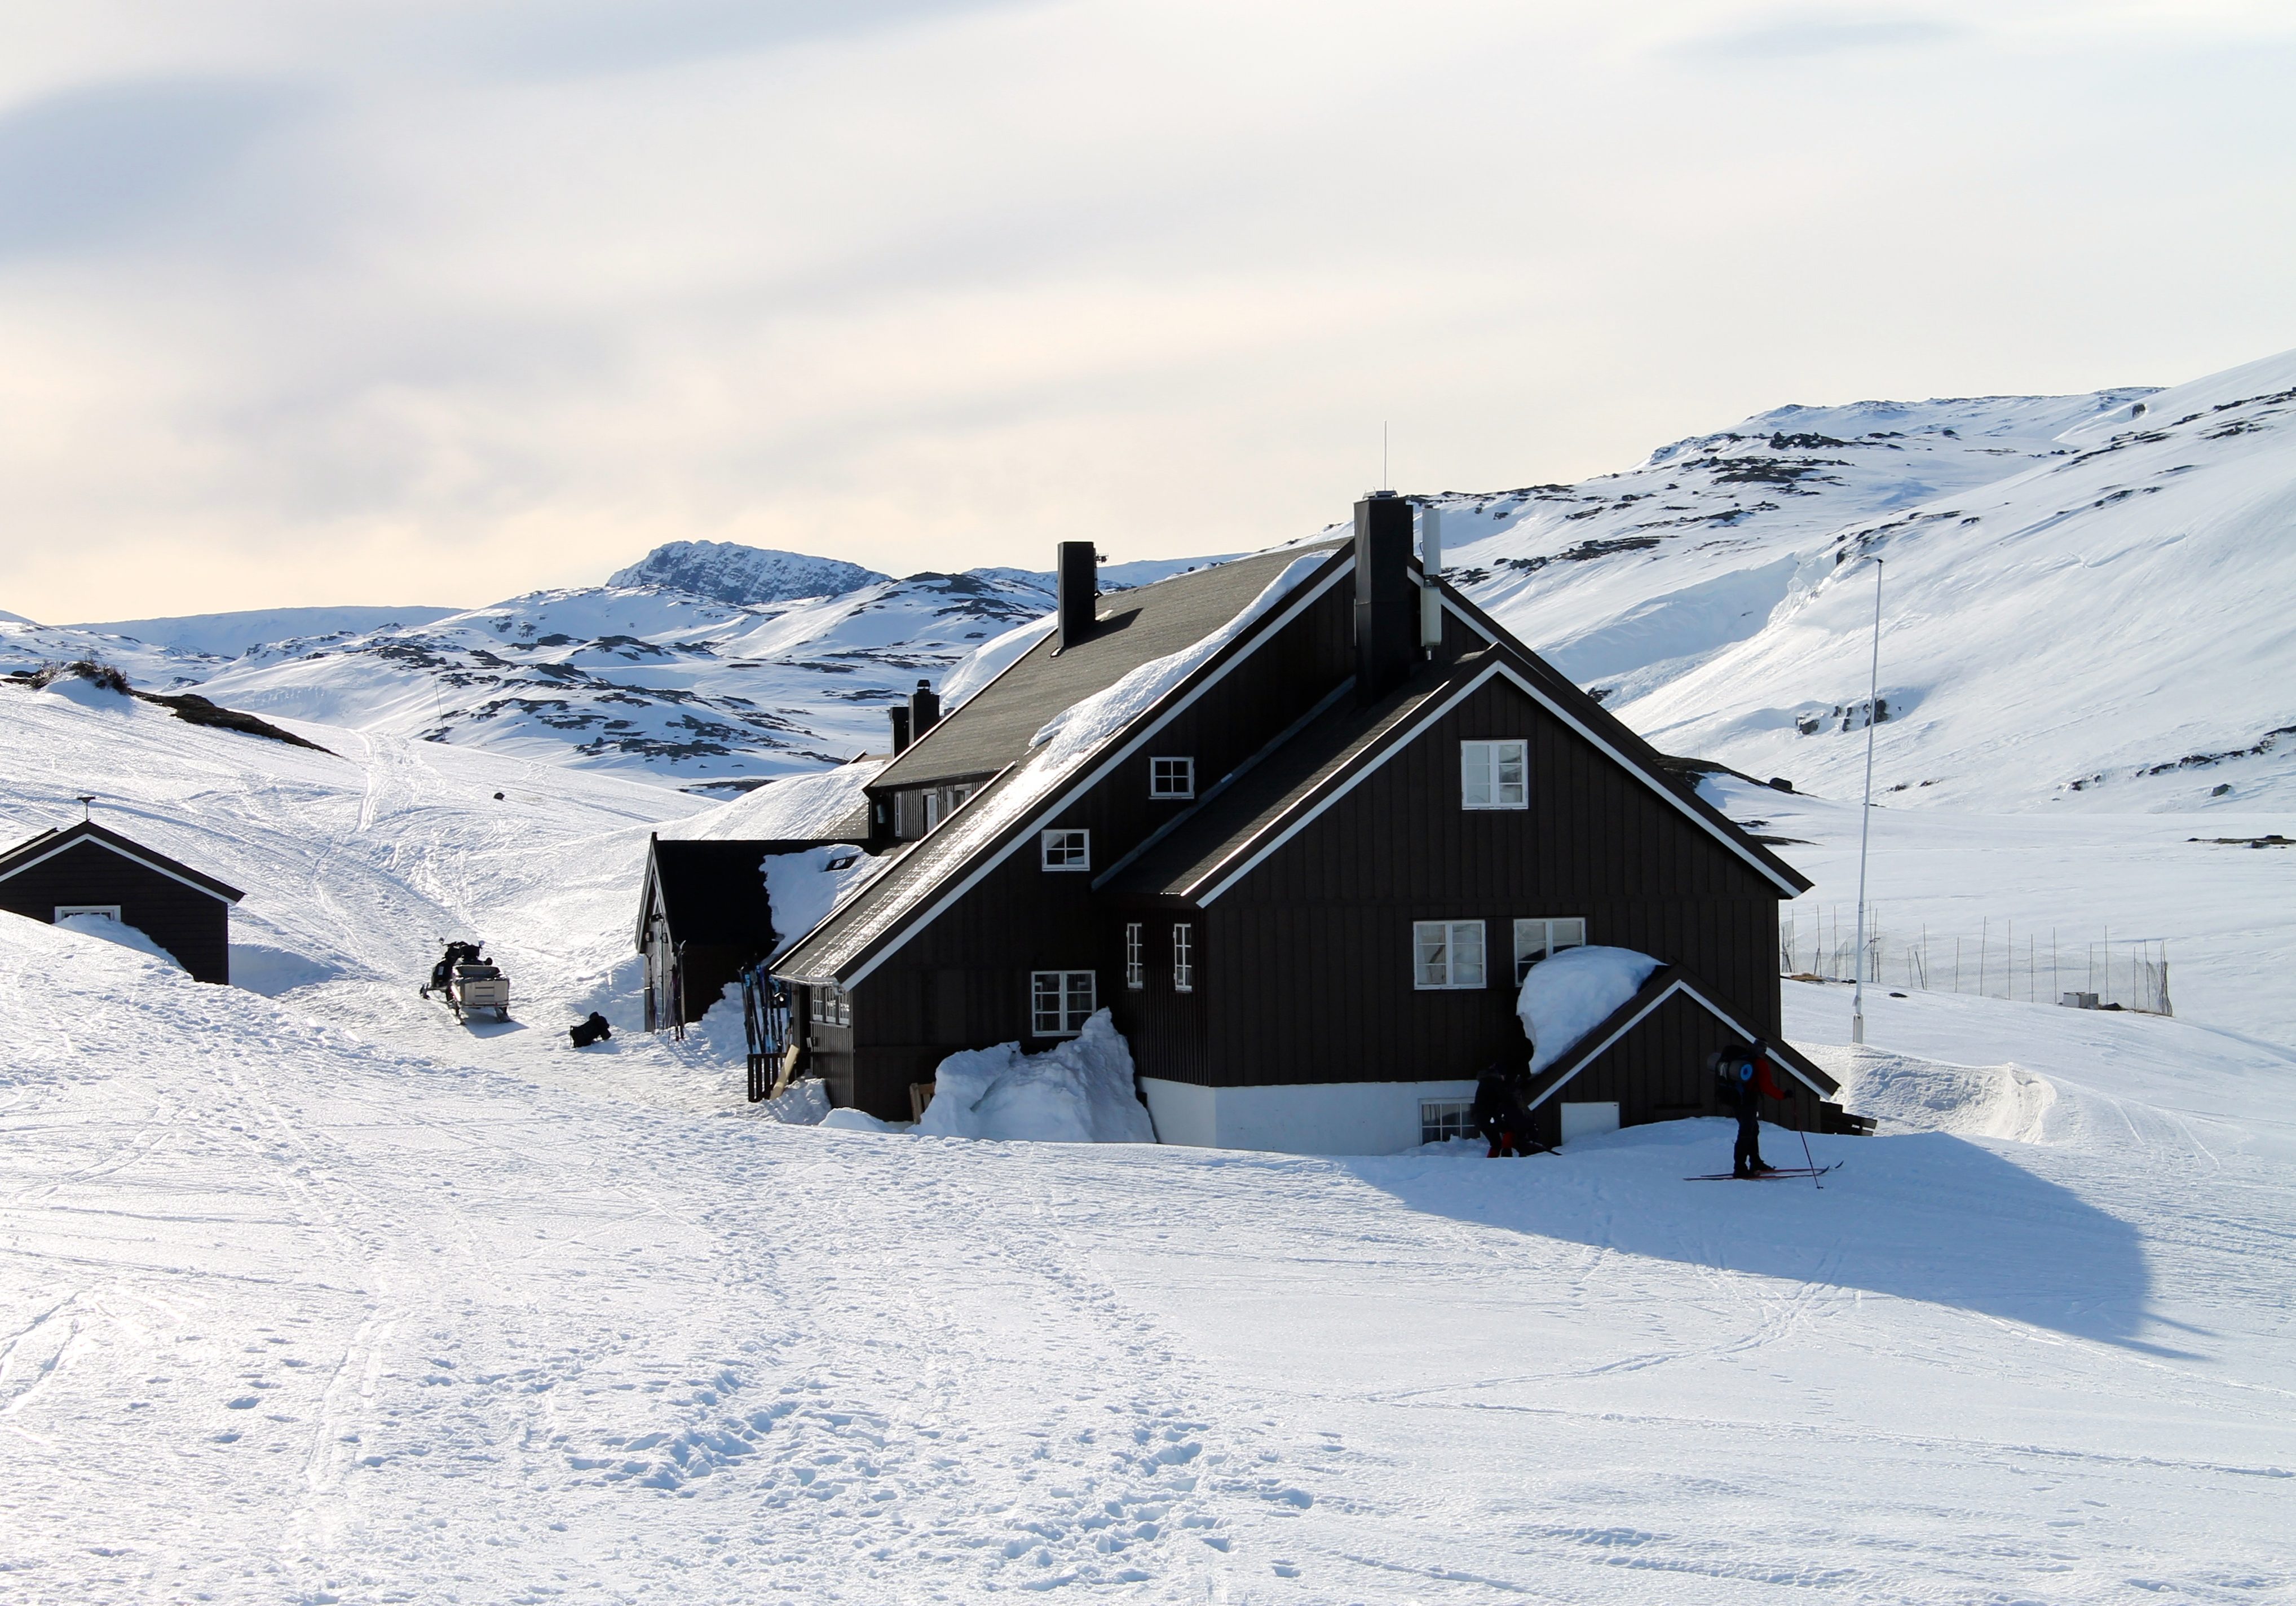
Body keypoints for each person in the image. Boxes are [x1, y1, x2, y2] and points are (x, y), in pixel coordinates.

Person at [1472, 1061, 1534, 1158]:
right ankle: (1507, 1154)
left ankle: (1491, 1161)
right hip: (1489, 1116)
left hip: (1478, 1117)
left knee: (1496, 1143)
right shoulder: (1495, 1082)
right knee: (1509, 1130)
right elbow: (1505, 1098)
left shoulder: (1484, 1082)